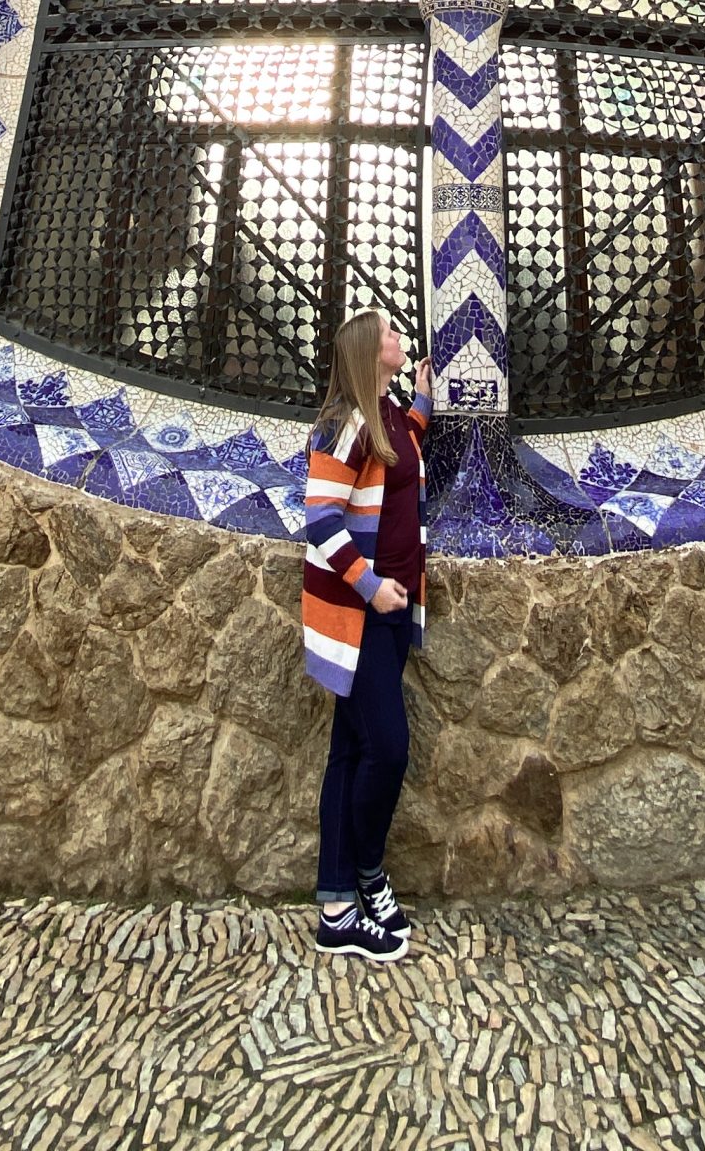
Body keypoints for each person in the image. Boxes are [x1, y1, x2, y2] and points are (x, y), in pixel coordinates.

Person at [303, 310, 432, 962]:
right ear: (367, 351)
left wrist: (425, 399)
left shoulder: (386, 418)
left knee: (350, 754)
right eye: (388, 334)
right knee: (387, 749)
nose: (397, 338)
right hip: (360, 613)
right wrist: (370, 585)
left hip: (391, 608)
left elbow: (406, 441)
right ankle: (369, 876)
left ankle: (336, 907)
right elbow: (321, 520)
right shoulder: (344, 424)